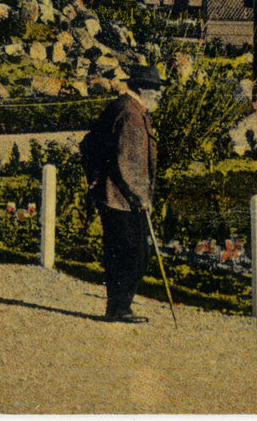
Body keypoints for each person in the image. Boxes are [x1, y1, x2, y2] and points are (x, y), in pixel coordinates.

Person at [82, 70, 159, 324]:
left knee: (121, 251)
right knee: (134, 253)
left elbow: (88, 143)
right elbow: (128, 164)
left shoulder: (122, 107)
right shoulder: (131, 115)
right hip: (121, 198)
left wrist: (93, 179)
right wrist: (140, 197)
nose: (159, 94)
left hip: (113, 195)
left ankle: (116, 307)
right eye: (155, 89)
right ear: (142, 89)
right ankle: (120, 307)